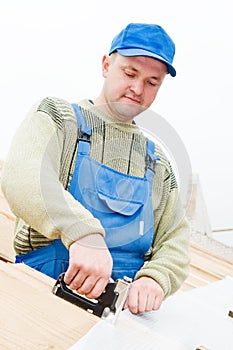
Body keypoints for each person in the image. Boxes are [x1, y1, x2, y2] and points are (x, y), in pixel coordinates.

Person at [1, 23, 190, 315]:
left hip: (118, 324)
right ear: (106, 65)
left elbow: (175, 238)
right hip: (40, 303)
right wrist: (83, 234)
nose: (137, 89)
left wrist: (157, 277)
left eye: (152, 83)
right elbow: (23, 176)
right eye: (129, 73)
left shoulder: (159, 164)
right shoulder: (59, 118)